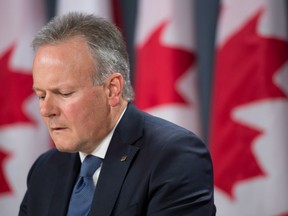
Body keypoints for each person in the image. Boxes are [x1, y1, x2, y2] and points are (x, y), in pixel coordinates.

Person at [19, 12, 216, 216]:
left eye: (64, 93)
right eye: (41, 96)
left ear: (112, 90)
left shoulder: (174, 156)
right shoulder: (45, 169)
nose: (46, 110)